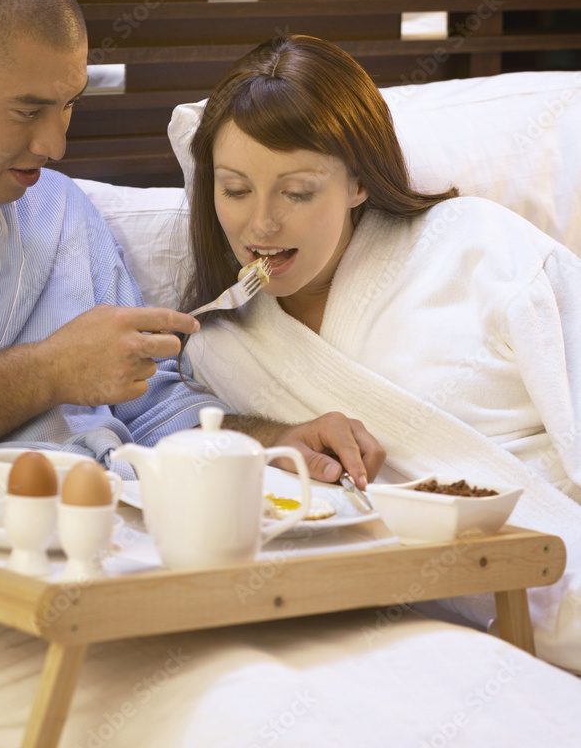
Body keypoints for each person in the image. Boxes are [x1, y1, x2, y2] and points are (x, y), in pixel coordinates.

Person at [0, 0, 382, 622]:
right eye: (28, 110)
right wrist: (45, 372)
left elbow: (150, 403)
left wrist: (269, 444)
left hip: (129, 566)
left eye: (69, 106)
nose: (55, 144)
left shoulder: (60, 210)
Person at [180, 33, 581, 671]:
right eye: (235, 190)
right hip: (446, 629)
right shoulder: (219, 350)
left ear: (359, 181)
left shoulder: (476, 246)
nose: (261, 224)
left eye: (297, 192)